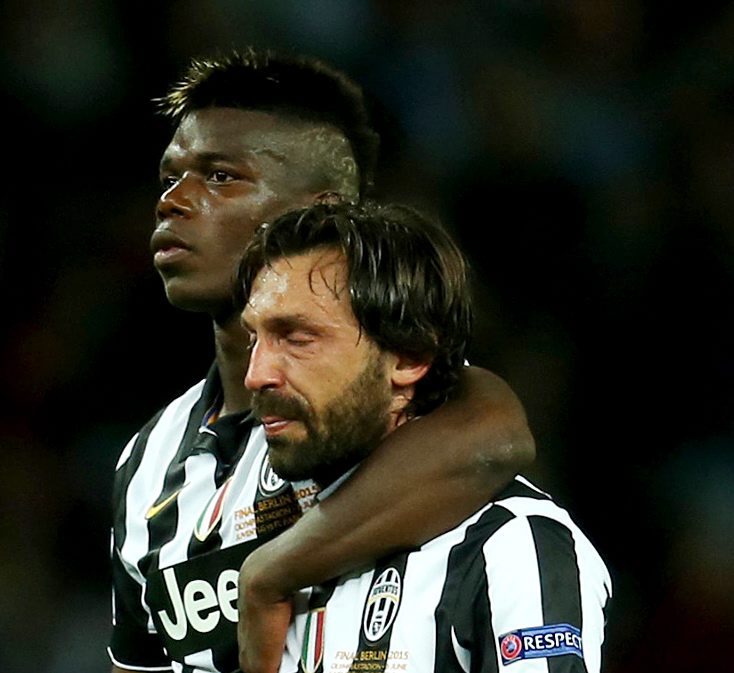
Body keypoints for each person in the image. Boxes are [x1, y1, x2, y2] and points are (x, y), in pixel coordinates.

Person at [109, 49, 535, 673]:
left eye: (221, 177)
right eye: (170, 177)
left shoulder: (400, 410)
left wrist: (270, 573)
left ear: (323, 209)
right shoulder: (148, 462)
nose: (174, 200)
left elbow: (494, 436)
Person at [235, 200, 612, 673]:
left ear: (409, 358)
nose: (256, 375)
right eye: (254, 338)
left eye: (297, 339)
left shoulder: (513, 547)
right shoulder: (245, 512)